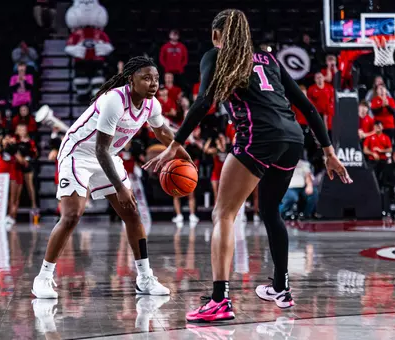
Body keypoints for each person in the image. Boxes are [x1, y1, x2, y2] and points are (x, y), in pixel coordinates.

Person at [143, 9, 351, 322]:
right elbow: (307, 106)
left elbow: (203, 104)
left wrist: (174, 145)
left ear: (216, 36)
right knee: (269, 210)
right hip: (292, 139)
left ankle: (219, 301)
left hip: (259, 136)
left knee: (223, 213)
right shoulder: (269, 59)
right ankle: (281, 287)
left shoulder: (217, 56)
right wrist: (328, 152)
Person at [31, 56, 193, 299]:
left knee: (132, 213)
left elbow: (164, 133)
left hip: (106, 155)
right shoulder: (114, 101)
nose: (153, 83)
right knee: (72, 214)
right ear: (131, 80)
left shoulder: (152, 105)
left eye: (156, 79)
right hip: (78, 153)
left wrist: (188, 160)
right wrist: (119, 187)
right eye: (146, 78)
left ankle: (145, 277)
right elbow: (99, 149)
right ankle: (43, 278)